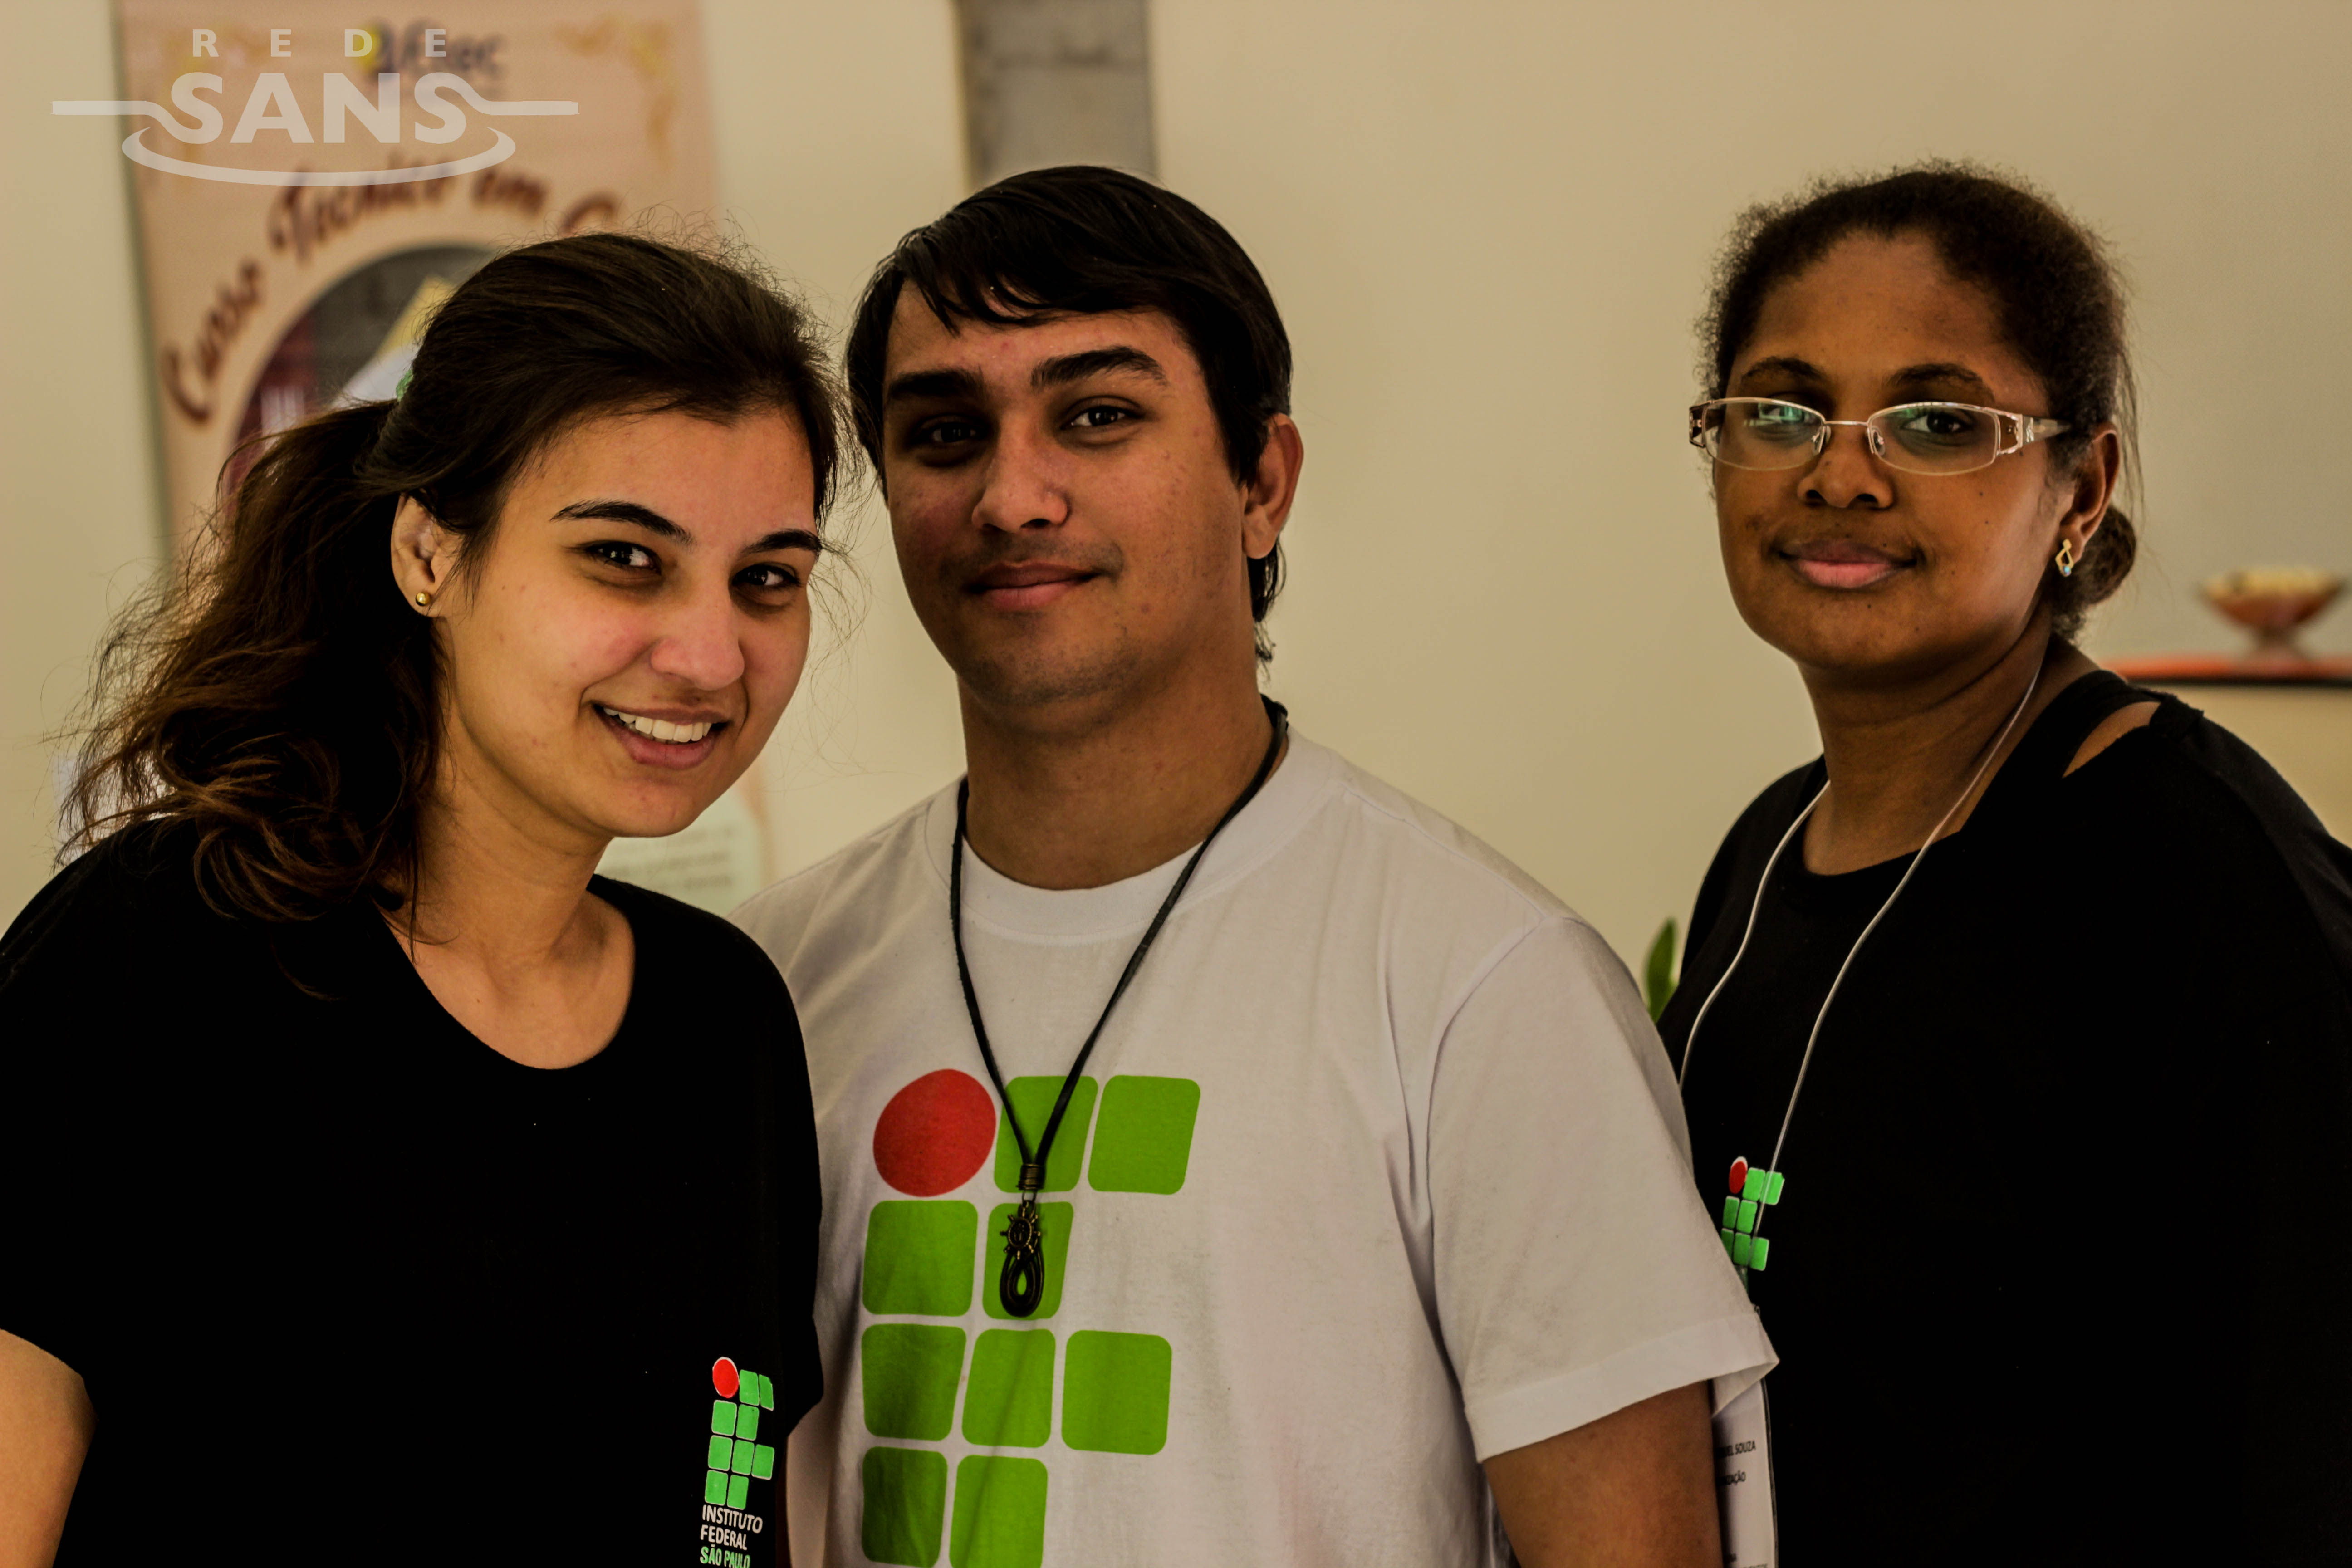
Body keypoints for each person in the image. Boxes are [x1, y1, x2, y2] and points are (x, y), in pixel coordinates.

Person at [731, 165, 1772, 1568]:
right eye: (945, 433)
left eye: (1098, 416)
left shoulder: (1489, 990)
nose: (1012, 495)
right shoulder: (770, 984)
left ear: (1262, 483)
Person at [0, 233, 842, 1565]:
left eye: (768, 579)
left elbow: (728, 1506)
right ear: (429, 555)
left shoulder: (724, 1017)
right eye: (624, 557)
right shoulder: (156, 950)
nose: (708, 653)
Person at [1661, 165, 2352, 1563]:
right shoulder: (1769, 846)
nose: (1840, 474)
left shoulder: (2198, 878)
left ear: (2079, 488)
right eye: (1781, 410)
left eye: (1936, 422)